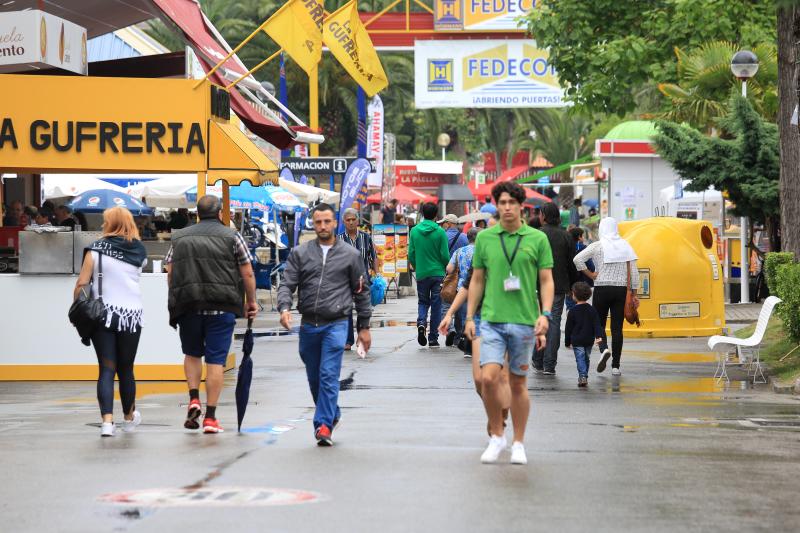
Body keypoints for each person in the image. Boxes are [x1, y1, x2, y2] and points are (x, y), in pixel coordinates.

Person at [465, 181, 554, 465]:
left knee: (517, 383)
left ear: (520, 206)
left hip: (525, 321)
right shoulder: (486, 239)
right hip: (491, 319)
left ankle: (518, 442)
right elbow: (477, 279)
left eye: (511, 203)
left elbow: (546, 280)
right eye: (501, 203)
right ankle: (497, 435)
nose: (506, 208)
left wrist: (546, 314)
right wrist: (469, 317)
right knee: (489, 378)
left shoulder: (537, 239)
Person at [278, 203, 372, 446]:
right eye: (318, 222)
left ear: (334, 222)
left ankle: (323, 425)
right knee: (314, 377)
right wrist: (284, 308)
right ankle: (333, 413)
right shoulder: (301, 253)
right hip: (309, 324)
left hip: (337, 323)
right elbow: (287, 284)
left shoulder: (350, 255)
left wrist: (363, 327)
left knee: (329, 374)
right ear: (313, 223)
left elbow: (361, 291)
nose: (322, 226)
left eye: (327, 221)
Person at [165, 195, 258, 434]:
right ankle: (211, 418)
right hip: (222, 306)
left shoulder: (180, 237)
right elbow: (247, 273)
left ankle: (194, 398)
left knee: (192, 354)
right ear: (219, 213)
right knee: (216, 361)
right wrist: (252, 301)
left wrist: (177, 295)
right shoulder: (232, 236)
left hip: (189, 305)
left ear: (197, 214)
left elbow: (170, 271)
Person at [73, 207, 147, 437]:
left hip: (102, 315)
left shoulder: (95, 250)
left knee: (106, 369)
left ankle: (106, 422)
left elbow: (81, 284)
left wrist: (78, 310)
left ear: (109, 223)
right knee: (126, 369)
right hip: (131, 317)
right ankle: (128, 418)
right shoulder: (139, 250)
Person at [438, 266, 511, 435]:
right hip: (480, 318)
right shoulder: (484, 252)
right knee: (480, 379)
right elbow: (467, 285)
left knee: (503, 376)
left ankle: (500, 416)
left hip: (508, 317)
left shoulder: (515, 249)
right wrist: (449, 314)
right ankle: (495, 412)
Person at [573, 217, 639, 376]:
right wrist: (634, 294)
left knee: (599, 324)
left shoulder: (597, 246)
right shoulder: (625, 246)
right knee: (617, 328)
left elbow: (577, 259)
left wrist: (591, 274)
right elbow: (635, 273)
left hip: (602, 288)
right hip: (620, 290)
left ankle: (604, 349)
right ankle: (616, 366)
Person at [533, 202, 578, 375]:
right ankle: (549, 364)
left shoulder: (536, 235)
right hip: (558, 287)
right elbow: (571, 263)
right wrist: (572, 285)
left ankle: (537, 360)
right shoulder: (566, 236)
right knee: (554, 323)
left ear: (543, 215)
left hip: (536, 286)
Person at [408, 202, 450, 347]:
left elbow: (411, 253)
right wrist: (447, 267)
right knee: (436, 305)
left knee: (423, 301)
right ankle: (433, 338)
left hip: (422, 273)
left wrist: (418, 266)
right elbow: (445, 255)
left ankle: (421, 323)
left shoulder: (414, 231)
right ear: (436, 215)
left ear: (422, 213)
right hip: (438, 273)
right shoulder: (440, 232)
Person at [338, 207, 377, 350]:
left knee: (363, 310)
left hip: (363, 279)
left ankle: (361, 336)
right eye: (348, 220)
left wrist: (377, 274)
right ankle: (348, 340)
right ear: (344, 222)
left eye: (353, 219)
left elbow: (374, 256)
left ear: (358, 221)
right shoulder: (339, 240)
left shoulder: (366, 237)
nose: (351, 222)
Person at [444, 227, 480, 348]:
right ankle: (472, 341)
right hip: (479, 288)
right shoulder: (483, 251)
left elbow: (449, 269)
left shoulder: (459, 251)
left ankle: (461, 339)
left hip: (461, 288)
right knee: (476, 315)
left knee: (461, 315)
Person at [564, 282, 603, 388]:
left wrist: (567, 342)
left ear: (574, 295)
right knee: (586, 358)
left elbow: (568, 328)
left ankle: (583, 376)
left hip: (577, 340)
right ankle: (584, 375)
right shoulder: (592, 310)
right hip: (588, 339)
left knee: (580, 358)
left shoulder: (572, 311)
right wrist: (599, 336)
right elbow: (597, 325)